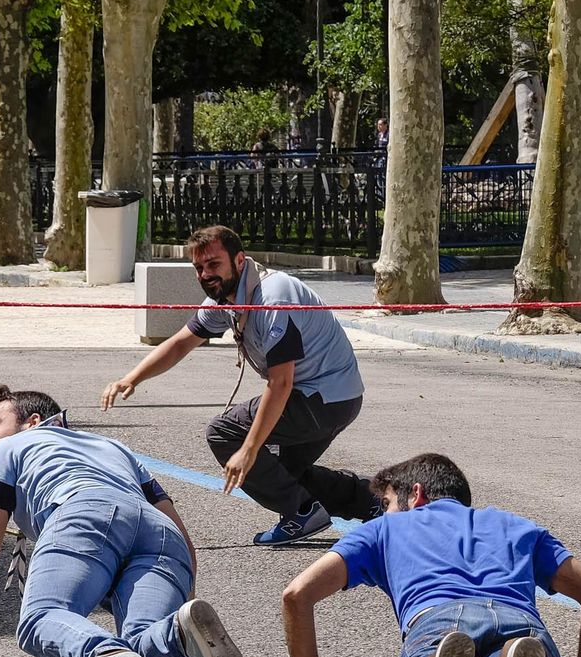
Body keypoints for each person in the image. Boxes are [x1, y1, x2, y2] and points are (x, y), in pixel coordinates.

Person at [0, 384, 250, 657]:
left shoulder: (10, 447)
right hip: (161, 534)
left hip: (83, 512)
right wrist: (183, 601)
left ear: (33, 421)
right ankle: (179, 633)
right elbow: (181, 536)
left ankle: (103, 652)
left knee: (40, 618)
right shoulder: (112, 446)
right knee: (142, 653)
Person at [279, 453, 581, 657]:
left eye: (387, 502)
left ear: (417, 494)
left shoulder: (386, 528)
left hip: (438, 619)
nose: (385, 512)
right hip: (521, 623)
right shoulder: (516, 525)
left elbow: (297, 594)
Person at [100, 225, 376, 546]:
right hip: (332, 399)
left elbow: (281, 382)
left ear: (240, 261)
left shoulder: (273, 296)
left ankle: (300, 512)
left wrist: (247, 449)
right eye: (199, 268)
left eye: (214, 264)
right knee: (280, 471)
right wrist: (131, 378)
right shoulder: (228, 298)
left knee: (224, 433)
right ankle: (374, 501)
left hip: (322, 398)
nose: (205, 274)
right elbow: (180, 343)